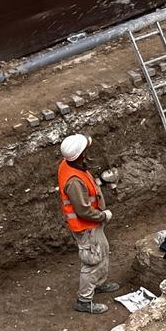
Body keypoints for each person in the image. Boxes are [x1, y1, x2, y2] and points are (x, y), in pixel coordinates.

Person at [57, 134, 118, 314]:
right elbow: (83, 210)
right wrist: (103, 216)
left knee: (103, 249)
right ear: (80, 155)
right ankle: (84, 300)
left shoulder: (68, 163)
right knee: (92, 262)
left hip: (91, 226)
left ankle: (98, 284)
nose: (88, 153)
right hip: (86, 227)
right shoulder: (74, 182)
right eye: (85, 151)